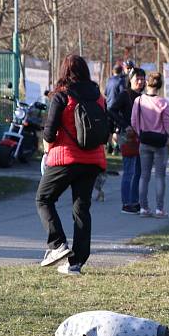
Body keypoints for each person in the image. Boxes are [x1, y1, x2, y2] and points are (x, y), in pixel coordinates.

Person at [36, 54, 107, 276]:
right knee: (81, 209)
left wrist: (47, 150)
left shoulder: (62, 96)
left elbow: (49, 131)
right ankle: (76, 263)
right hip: (93, 159)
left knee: (44, 198)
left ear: (64, 71)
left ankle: (57, 244)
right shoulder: (99, 97)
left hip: (65, 158)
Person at [131, 72, 169, 218]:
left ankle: (143, 208)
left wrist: (140, 133)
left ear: (147, 83)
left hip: (144, 141)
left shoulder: (138, 101)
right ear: (160, 85)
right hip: (160, 143)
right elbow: (167, 125)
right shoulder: (164, 103)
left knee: (144, 176)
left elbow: (133, 121)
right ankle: (159, 209)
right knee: (159, 176)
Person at [118, 68, 146, 215]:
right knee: (129, 171)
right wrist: (124, 126)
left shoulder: (143, 97)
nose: (140, 81)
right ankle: (126, 203)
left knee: (139, 172)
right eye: (137, 78)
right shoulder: (124, 95)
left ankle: (135, 201)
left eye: (142, 79)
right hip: (128, 137)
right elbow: (111, 111)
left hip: (141, 137)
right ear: (131, 79)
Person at [104, 64, 127, 155]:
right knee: (116, 129)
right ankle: (116, 146)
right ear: (121, 71)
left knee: (109, 129)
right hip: (117, 109)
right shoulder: (121, 81)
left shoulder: (109, 80)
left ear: (113, 71)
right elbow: (122, 93)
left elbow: (105, 93)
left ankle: (110, 145)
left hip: (108, 107)